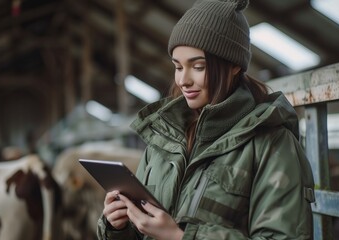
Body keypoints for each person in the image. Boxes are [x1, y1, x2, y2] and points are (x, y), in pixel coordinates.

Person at [97, 0, 315, 239]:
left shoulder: (272, 143)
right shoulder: (163, 138)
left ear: (233, 66)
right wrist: (118, 226)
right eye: (178, 67)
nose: (183, 80)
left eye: (198, 66)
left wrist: (180, 237)